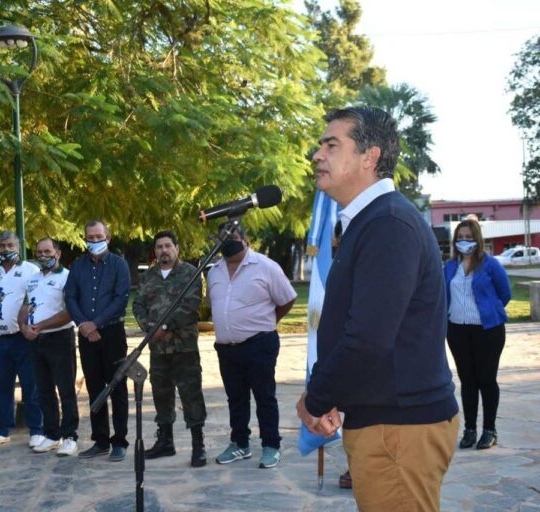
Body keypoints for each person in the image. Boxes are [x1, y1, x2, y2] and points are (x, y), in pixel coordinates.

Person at [297, 107, 459, 511]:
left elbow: (368, 338)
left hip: (399, 427)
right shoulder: (371, 221)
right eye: (321, 145)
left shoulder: (388, 224)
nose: (317, 155)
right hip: (389, 421)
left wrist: (315, 398)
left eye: (331, 145)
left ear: (369, 157)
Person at [207, 223, 297, 469]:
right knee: (235, 399)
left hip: (259, 344)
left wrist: (269, 321)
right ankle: (240, 444)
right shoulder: (214, 271)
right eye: (223, 236)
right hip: (226, 347)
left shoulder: (265, 266)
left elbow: (287, 299)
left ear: (244, 238)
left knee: (264, 397)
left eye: (233, 235)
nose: (229, 240)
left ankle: (271, 445)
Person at [133, 230, 207, 467]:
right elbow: (137, 304)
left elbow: (192, 305)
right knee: (161, 394)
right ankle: (166, 441)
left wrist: (165, 326)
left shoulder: (190, 273)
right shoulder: (148, 277)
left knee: (191, 395)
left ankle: (198, 446)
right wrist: (149, 327)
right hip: (158, 349)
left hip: (183, 347)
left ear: (176, 248)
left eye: (167, 246)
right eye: (159, 247)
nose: (163, 251)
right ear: (155, 251)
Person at [64, 220, 130, 461]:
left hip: (112, 332)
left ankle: (120, 441)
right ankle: (100, 440)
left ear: (108, 238)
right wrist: (84, 325)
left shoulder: (119, 264)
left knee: (117, 386)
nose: (94, 241)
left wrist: (97, 323)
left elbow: (120, 299)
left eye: (98, 236)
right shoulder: (78, 266)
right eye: (90, 237)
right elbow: (70, 297)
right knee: (94, 388)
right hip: (86, 334)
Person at [444, 219, 511, 450]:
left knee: (486, 380)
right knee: (467, 381)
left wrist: (488, 311)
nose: (464, 241)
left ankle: (489, 430)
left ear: (478, 239)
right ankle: (470, 430)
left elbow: (505, 293)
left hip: (487, 331)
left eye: (469, 237)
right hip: (457, 330)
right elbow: (444, 294)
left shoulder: (490, 264)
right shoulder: (450, 266)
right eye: (460, 237)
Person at [0, 231, 44, 449]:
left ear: (19, 246)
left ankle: (37, 430)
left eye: (9, 245)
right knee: (0, 387)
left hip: (23, 339)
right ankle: (1, 430)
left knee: (31, 386)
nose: (5, 249)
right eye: (1, 245)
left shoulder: (31, 270)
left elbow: (37, 301)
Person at [19, 238, 79, 456]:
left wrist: (41, 325)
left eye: (47, 251)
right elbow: (25, 306)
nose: (43, 255)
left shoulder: (67, 277)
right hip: (36, 341)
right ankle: (52, 434)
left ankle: (70, 436)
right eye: (39, 252)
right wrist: (23, 327)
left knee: (66, 390)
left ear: (58, 253)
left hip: (59, 338)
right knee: (43, 390)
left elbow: (69, 311)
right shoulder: (33, 279)